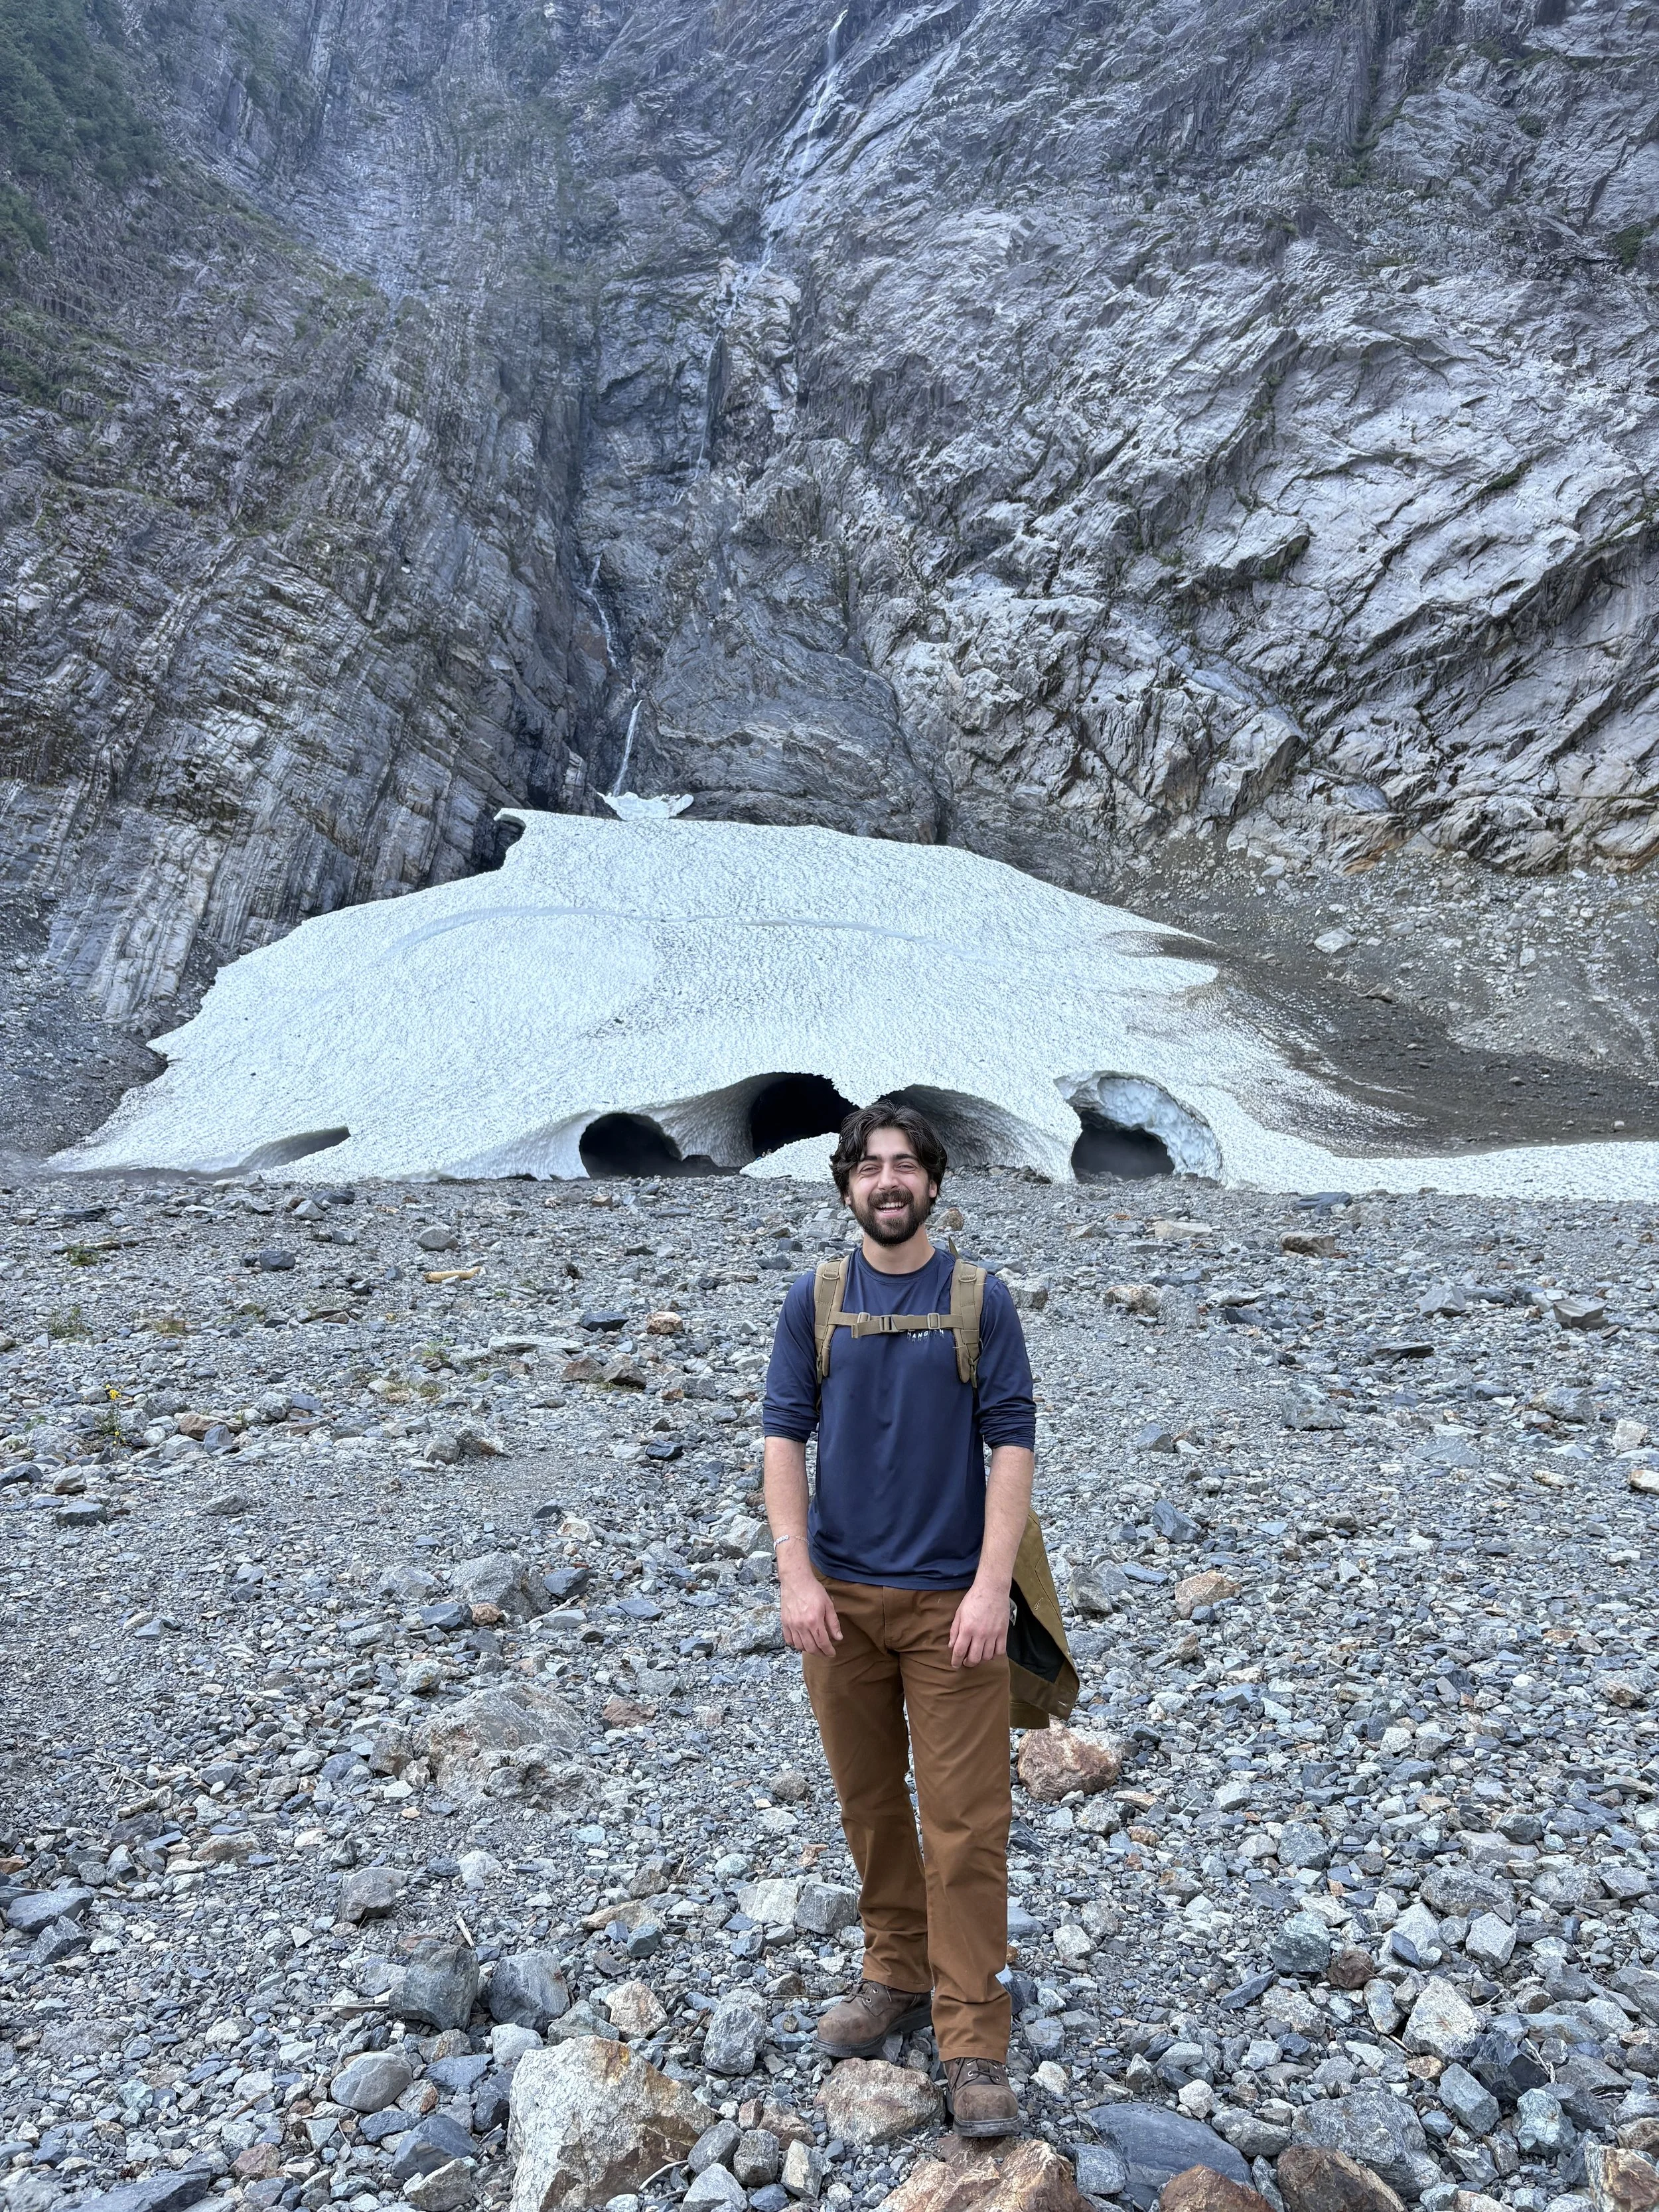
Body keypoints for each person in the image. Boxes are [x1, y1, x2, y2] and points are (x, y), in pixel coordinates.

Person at [760, 1100, 1036, 2138]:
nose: (888, 1182)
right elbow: (784, 1437)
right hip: (838, 1605)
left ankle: (973, 2040)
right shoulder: (814, 1300)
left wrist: (988, 1587)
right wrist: (795, 1573)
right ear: (846, 1185)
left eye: (905, 1166)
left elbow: (1012, 1443)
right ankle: (896, 1972)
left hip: (949, 1606)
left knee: (966, 1827)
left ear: (933, 1182)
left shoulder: (979, 1299)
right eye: (870, 1166)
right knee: (871, 1806)